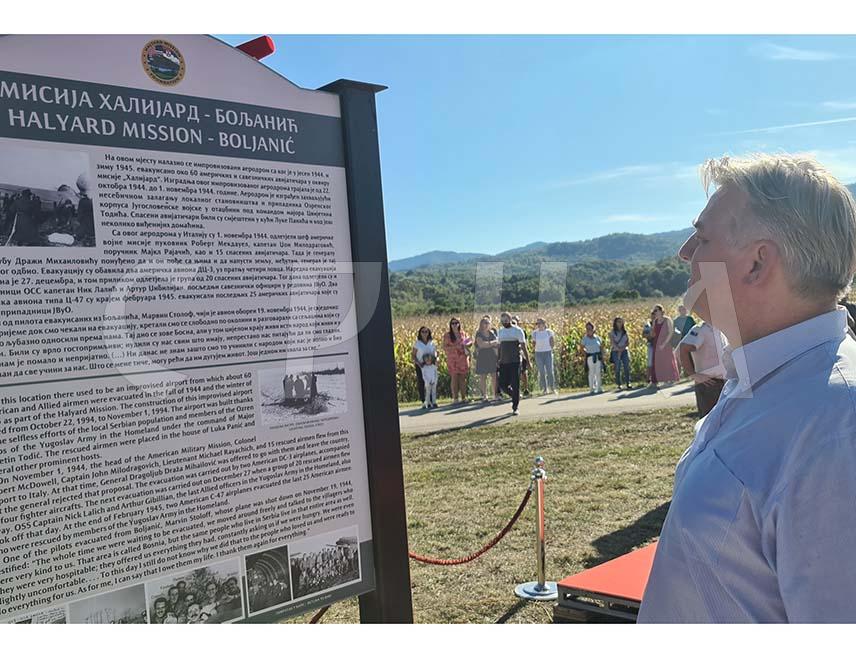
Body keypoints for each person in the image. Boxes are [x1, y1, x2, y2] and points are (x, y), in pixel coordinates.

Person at [638, 154, 856, 623]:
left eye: (703, 237)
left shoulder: (838, 428)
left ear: (757, 263)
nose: (684, 253)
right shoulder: (768, 379)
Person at [678, 320, 727, 418]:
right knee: (710, 422)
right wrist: (693, 374)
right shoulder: (701, 329)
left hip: (724, 383)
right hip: (710, 385)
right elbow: (682, 349)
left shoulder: (721, 328)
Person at [497, 311, 529, 415]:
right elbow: (499, 347)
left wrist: (528, 361)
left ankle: (515, 407)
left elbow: (524, 347)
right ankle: (514, 394)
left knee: (515, 384)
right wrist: (497, 359)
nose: (504, 322)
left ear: (510, 320)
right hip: (503, 361)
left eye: (506, 320)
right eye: (502, 320)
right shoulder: (500, 332)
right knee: (502, 384)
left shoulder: (517, 331)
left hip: (515, 361)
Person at [443, 317, 472, 404]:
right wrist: (455, 347)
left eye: (456, 323)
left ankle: (463, 397)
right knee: (454, 378)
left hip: (462, 358)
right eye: (453, 323)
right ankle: (455, 398)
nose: (455, 325)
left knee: (463, 379)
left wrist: (468, 344)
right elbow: (444, 347)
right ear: (450, 325)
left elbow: (468, 342)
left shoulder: (463, 334)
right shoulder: (447, 335)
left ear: (459, 324)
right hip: (453, 359)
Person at [650, 304, 679, 385]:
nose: (655, 312)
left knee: (668, 361)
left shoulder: (667, 320)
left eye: (656, 310)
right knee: (658, 361)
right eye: (654, 311)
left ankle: (670, 378)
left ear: (661, 311)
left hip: (666, 342)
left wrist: (664, 343)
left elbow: (670, 332)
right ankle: (659, 379)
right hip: (657, 342)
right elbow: (653, 333)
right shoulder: (655, 321)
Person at [474, 317, 499, 402]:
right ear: (481, 324)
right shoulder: (479, 334)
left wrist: (489, 344)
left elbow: (497, 343)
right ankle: (485, 395)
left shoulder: (492, 333)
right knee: (483, 376)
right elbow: (481, 345)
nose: (486, 325)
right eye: (485, 323)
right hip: (482, 356)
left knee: (494, 376)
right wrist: (491, 343)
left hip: (492, 356)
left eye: (488, 323)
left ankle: (495, 394)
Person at [532, 318, 558, 395]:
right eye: (537, 323)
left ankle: (552, 388)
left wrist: (550, 349)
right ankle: (544, 388)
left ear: (544, 323)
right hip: (538, 353)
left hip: (547, 352)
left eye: (540, 323)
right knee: (542, 372)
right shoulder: (535, 333)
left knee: (550, 371)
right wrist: (536, 349)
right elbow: (533, 343)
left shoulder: (549, 332)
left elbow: (552, 342)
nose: (538, 325)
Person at [411, 327, 436, 406]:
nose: (424, 333)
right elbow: (413, 356)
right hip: (421, 365)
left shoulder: (432, 342)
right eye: (423, 332)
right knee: (422, 382)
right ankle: (424, 400)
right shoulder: (417, 343)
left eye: (426, 331)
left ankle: (432, 400)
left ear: (429, 333)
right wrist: (419, 363)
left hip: (431, 365)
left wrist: (435, 359)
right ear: (420, 333)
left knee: (432, 382)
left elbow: (435, 352)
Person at [580, 322, 603, 394]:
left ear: (593, 329)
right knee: (591, 373)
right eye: (587, 329)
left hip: (597, 356)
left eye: (590, 329)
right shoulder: (585, 338)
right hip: (590, 356)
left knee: (598, 372)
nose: (588, 330)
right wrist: (586, 354)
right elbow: (581, 347)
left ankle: (599, 388)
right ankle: (591, 388)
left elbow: (601, 347)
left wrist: (602, 355)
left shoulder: (597, 338)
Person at [609, 317, 631, 391]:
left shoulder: (625, 332)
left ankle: (628, 382)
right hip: (616, 351)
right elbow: (613, 342)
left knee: (626, 367)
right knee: (618, 367)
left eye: (621, 322)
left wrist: (622, 348)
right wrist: (618, 349)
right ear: (615, 323)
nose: (620, 323)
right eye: (618, 322)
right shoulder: (612, 332)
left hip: (624, 350)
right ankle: (619, 383)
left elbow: (628, 342)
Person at [512, 315, 531, 396]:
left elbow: (524, 343)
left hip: (521, 354)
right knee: (515, 374)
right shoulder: (508, 332)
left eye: (515, 322)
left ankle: (526, 389)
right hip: (512, 355)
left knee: (524, 372)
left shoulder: (522, 331)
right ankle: (516, 390)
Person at [642, 317, 654, 384]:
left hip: (659, 345)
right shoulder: (648, 324)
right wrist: (650, 335)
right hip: (651, 345)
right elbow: (644, 334)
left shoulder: (661, 322)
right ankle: (648, 378)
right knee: (650, 363)